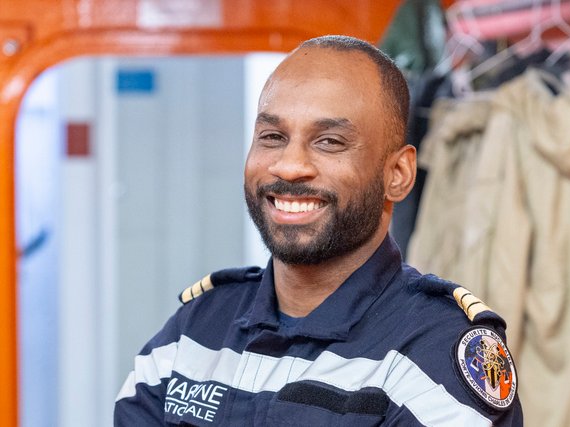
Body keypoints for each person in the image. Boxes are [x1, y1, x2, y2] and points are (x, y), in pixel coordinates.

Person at [114, 35, 523, 426]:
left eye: (329, 141)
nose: (290, 166)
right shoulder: (193, 330)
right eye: (272, 137)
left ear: (398, 174)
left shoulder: (437, 351)